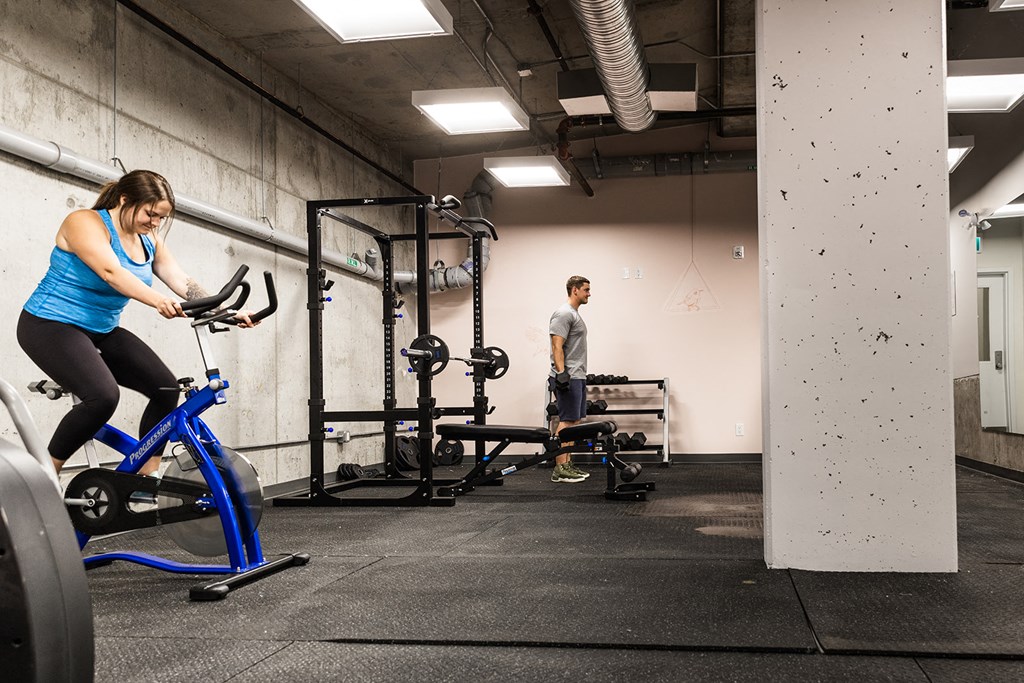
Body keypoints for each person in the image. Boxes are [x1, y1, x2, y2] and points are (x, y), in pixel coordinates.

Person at [17, 169, 258, 477]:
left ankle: (146, 477)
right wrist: (157, 301)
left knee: (166, 388)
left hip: (101, 329)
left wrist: (225, 310)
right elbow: (111, 272)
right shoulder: (84, 222)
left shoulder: (149, 240)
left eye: (160, 218)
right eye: (151, 214)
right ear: (125, 199)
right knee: (103, 396)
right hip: (49, 324)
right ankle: (44, 476)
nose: (155, 224)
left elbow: (180, 280)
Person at [548, 275, 592, 484]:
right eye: (586, 290)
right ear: (575, 290)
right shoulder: (564, 313)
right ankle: (559, 468)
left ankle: (567, 463)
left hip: (578, 374)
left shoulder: (574, 314)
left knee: (574, 421)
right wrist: (561, 372)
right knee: (566, 421)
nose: (588, 294)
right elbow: (557, 345)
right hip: (568, 375)